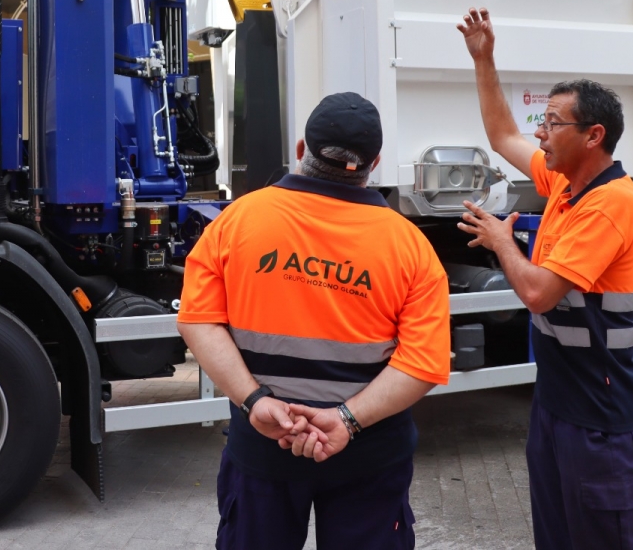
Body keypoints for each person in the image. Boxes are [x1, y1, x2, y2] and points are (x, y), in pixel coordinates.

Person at [177, 92, 450, 550]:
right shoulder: (411, 246)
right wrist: (345, 419)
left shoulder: (236, 221)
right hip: (368, 456)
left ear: (302, 149)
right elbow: (423, 364)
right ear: (375, 162)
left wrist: (256, 400)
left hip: (265, 447)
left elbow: (197, 322)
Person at [455, 7, 633, 550]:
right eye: (542, 122)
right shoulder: (564, 182)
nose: (539, 133)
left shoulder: (610, 204)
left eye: (552, 123)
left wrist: (501, 241)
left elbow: (539, 294)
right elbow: (501, 133)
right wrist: (484, 59)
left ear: (594, 135)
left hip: (599, 412)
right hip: (559, 401)